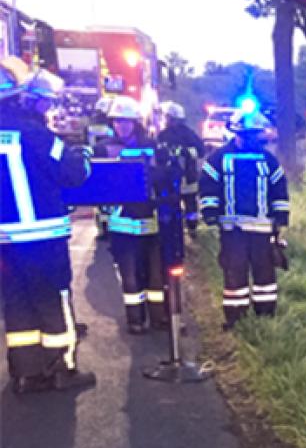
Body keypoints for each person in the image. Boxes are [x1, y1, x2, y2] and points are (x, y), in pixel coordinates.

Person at [0, 57, 97, 393]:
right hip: (42, 237)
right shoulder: (36, 134)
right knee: (53, 297)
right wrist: (83, 154)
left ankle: (26, 373)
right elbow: (73, 173)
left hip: (5, 241)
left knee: (17, 301)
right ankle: (61, 368)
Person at [94, 96, 179, 334]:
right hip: (121, 223)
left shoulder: (153, 147)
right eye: (117, 121)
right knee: (130, 277)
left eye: (126, 121)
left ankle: (158, 317)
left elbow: (167, 178)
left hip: (151, 222)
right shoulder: (103, 148)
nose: (121, 126)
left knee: (155, 276)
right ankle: (135, 320)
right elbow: (98, 184)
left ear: (135, 123)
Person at [199, 110, 289, 330]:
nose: (249, 139)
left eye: (253, 135)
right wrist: (210, 212)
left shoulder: (269, 161)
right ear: (236, 133)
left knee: (265, 275)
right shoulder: (218, 159)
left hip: (262, 230)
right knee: (235, 273)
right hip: (233, 231)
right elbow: (208, 187)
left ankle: (265, 316)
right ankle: (235, 319)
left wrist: (281, 219)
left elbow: (279, 191)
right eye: (245, 135)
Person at [157, 101, 206, 238]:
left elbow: (201, 151)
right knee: (185, 204)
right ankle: (187, 229)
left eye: (168, 117)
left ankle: (189, 228)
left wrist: (184, 152)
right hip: (176, 178)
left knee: (189, 205)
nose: (166, 120)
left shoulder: (186, 135)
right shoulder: (165, 135)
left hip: (185, 177)